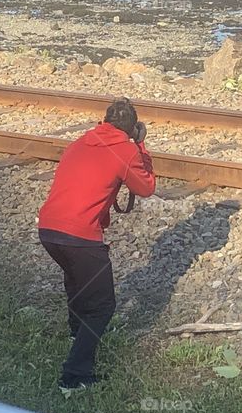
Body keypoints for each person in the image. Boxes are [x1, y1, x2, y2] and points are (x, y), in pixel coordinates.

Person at [37, 97, 156, 391]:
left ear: (104, 121)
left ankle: (77, 334)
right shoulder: (126, 150)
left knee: (78, 281)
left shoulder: (80, 142)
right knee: (102, 306)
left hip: (49, 229)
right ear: (133, 129)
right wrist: (140, 147)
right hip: (80, 235)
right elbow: (146, 188)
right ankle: (75, 377)